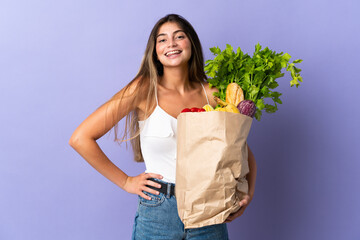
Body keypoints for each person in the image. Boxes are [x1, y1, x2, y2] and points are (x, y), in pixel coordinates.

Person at [69, 13, 257, 239]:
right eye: (162, 39)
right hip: (158, 212)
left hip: (209, 210)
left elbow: (242, 151)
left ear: (191, 44)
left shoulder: (213, 95)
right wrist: (126, 181)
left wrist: (248, 194)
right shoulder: (144, 90)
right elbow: (81, 138)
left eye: (179, 36)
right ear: (155, 51)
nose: (172, 44)